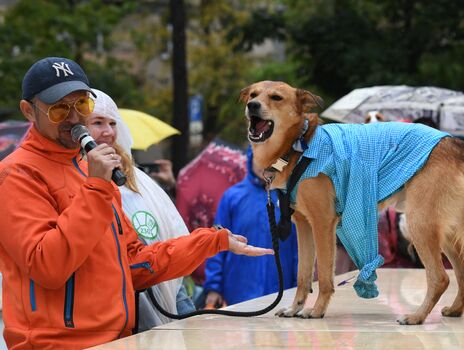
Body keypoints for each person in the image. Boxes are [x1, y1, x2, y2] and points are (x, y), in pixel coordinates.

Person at [0, 56, 273, 349]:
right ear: (29, 111)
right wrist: (97, 187)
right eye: (58, 110)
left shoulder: (87, 167)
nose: (74, 118)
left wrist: (210, 242)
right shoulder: (17, 174)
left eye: (81, 105)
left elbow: (134, 262)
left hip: (118, 338)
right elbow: (47, 265)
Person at [85, 88, 195, 332]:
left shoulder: (136, 177)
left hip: (171, 289)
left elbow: (171, 227)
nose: (108, 132)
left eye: (113, 123)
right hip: (126, 302)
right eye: (98, 123)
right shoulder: (80, 179)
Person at [203, 147, 298, 307]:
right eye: (260, 158)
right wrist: (214, 288)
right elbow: (216, 244)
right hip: (239, 294)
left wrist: (300, 284)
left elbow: (299, 248)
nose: (265, 164)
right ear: (250, 159)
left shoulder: (290, 198)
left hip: (281, 293)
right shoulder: (232, 197)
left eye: (271, 158)